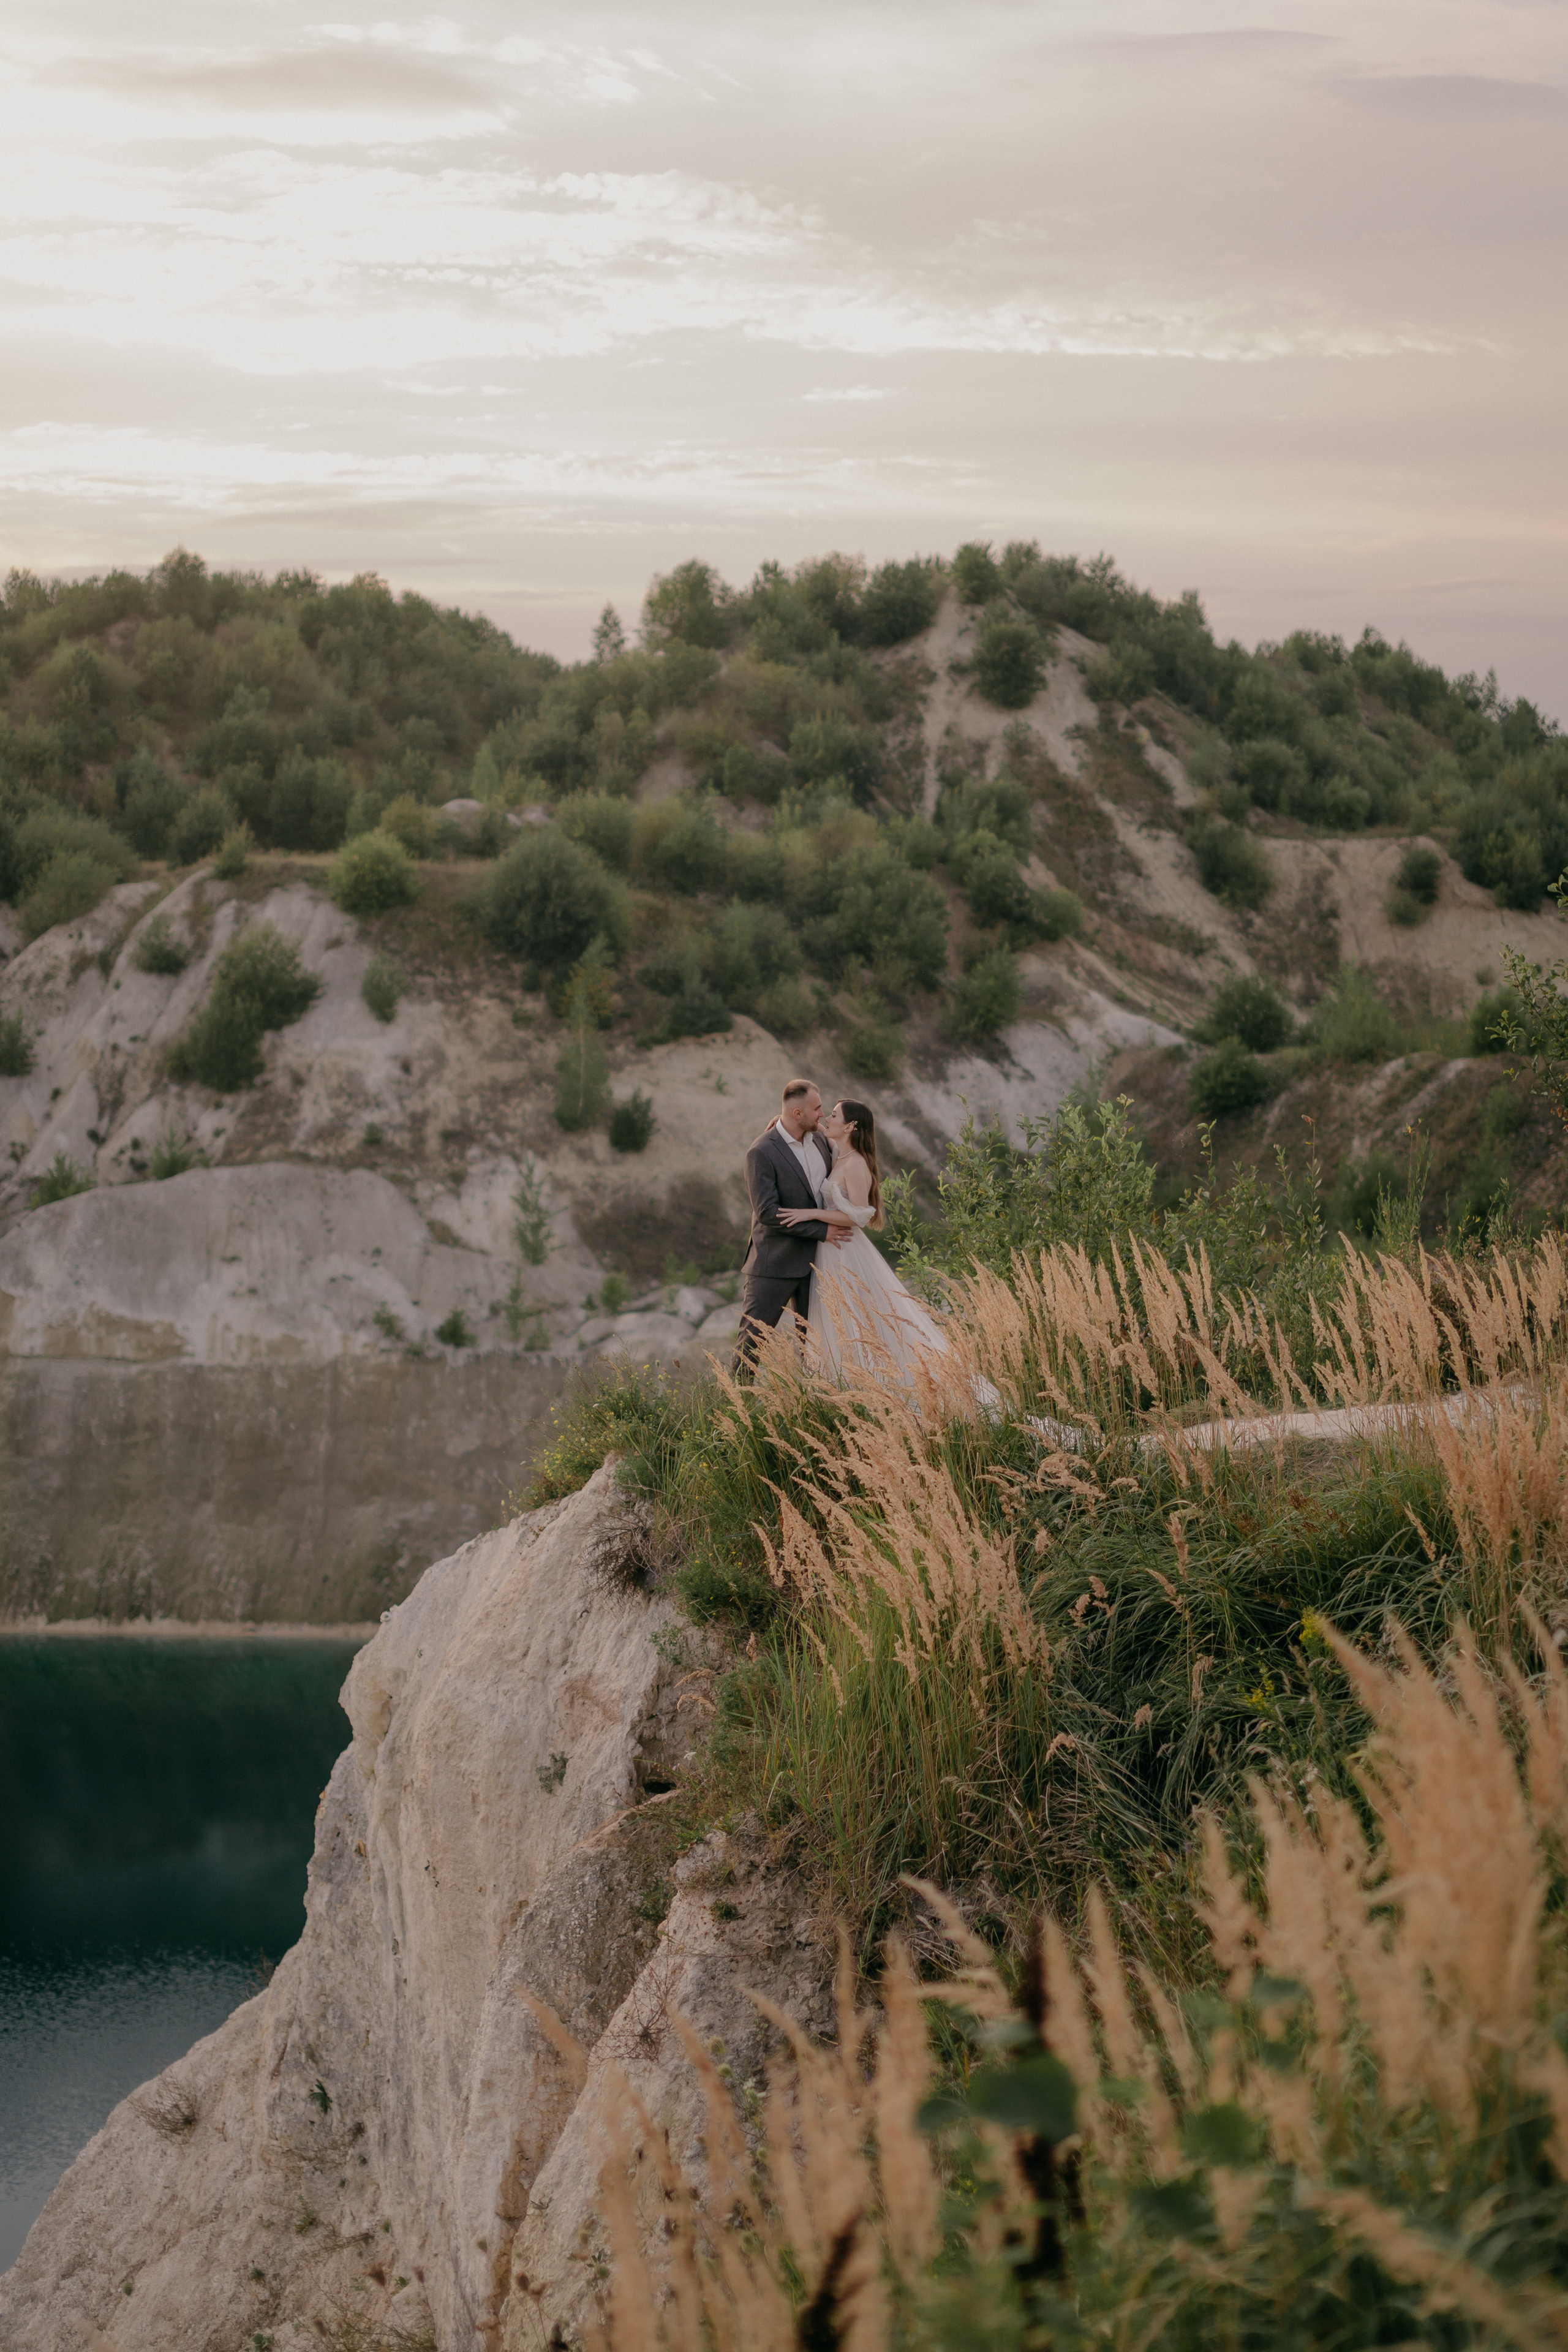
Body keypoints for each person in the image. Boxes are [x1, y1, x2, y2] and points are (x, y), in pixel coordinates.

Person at [775, 1096, 960, 1388]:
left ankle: (875, 1382)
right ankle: (844, 1382)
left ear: (849, 1126)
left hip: (847, 1249)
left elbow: (859, 1216)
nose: (827, 1118)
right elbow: (813, 1130)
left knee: (856, 1313)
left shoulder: (856, 1164)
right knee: (836, 1319)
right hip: (830, 1249)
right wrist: (780, 1124)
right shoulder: (841, 1153)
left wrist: (811, 1213)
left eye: (833, 1115)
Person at [731, 1079, 850, 1374]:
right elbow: (768, 1213)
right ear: (798, 1114)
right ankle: (734, 1411)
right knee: (751, 1347)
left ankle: (813, 1408)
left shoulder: (821, 1141)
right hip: (773, 1264)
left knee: (816, 1349)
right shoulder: (761, 1151)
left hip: (818, 1264)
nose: (822, 1114)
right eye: (817, 1109)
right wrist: (821, 1231)